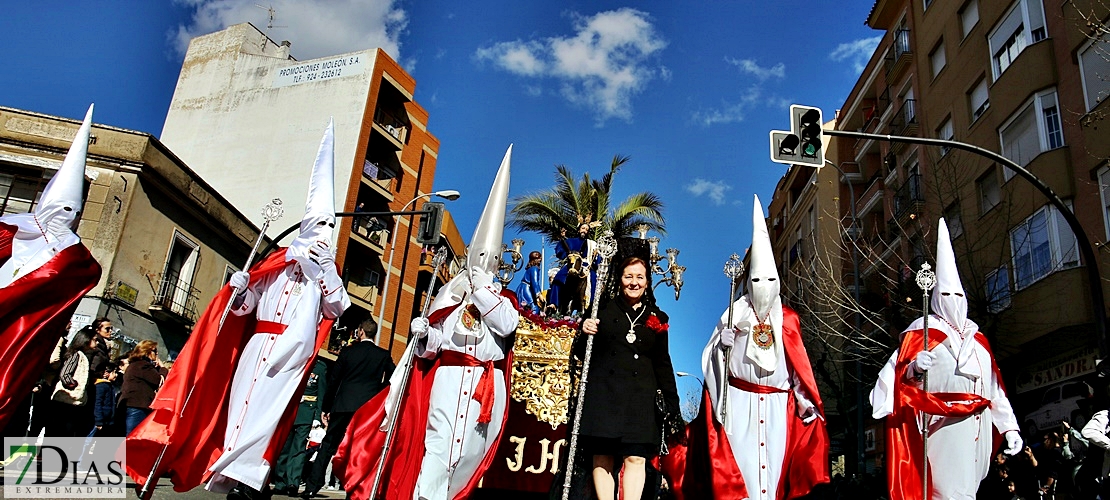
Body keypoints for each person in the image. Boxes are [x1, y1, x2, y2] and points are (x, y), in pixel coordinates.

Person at [125, 121, 350, 499]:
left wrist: (325, 269)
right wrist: (239, 288)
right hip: (257, 343)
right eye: (319, 223)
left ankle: (249, 479)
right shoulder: (276, 262)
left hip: (291, 352)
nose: (323, 230)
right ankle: (229, 475)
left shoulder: (327, 272)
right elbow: (246, 308)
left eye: (330, 224)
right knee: (239, 410)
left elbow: (337, 307)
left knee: (267, 416)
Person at [331, 144, 516, 500]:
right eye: (478, 258)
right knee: (437, 450)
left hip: (484, 387)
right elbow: (433, 349)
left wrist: (478, 288)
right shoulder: (448, 294)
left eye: (490, 259)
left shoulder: (502, 299)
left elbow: (506, 325)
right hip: (447, 380)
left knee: (465, 457)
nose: (484, 262)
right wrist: (425, 333)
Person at [670, 194, 829, 500]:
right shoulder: (735, 311)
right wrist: (721, 348)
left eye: (769, 279)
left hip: (778, 409)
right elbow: (711, 360)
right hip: (739, 406)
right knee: (741, 475)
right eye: (756, 279)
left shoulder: (789, 319)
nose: (763, 285)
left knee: (775, 473)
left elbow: (799, 367)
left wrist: (805, 400)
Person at [870, 218, 1022, 500]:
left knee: (969, 489)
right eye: (946, 294)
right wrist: (914, 368)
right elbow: (897, 377)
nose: (952, 299)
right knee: (947, 491)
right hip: (941, 424)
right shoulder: (921, 333)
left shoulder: (979, 341)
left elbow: (995, 390)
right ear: (937, 296)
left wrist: (1009, 427)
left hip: (978, 423)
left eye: (957, 294)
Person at [0, 105, 102, 432]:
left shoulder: (71, 254)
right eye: (60, 209)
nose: (65, 214)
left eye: (72, 211)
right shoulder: (12, 229)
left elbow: (85, 272)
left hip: (18, 330)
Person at [574, 255, 679, 500]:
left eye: (639, 277)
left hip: (640, 398)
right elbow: (581, 352)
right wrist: (584, 330)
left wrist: (672, 403)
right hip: (604, 395)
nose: (634, 282)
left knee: (635, 457)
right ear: (619, 279)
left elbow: (663, 363)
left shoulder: (658, 317)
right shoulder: (601, 308)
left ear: (647, 282)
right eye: (628, 276)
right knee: (603, 457)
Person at [301, 318, 394, 497]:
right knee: (360, 447)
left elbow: (334, 380)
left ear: (360, 332)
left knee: (328, 445)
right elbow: (393, 377)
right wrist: (376, 393)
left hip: (343, 405)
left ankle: (312, 487)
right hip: (366, 409)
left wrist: (326, 407)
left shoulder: (348, 352)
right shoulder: (382, 355)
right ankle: (355, 487)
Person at [272, 358, 327, 496]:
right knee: (284, 448)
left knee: (298, 449)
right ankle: (280, 482)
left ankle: (293, 483)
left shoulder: (319, 367)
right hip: (289, 411)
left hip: (306, 412)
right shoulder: (294, 361)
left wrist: (317, 416)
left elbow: (321, 393)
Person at [49, 327, 99, 437]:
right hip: (65, 401)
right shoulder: (76, 354)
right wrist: (74, 385)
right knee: (59, 433)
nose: (97, 342)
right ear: (86, 339)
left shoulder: (84, 356)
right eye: (95, 339)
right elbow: (65, 374)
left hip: (73, 402)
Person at [550, 216, 601, 315]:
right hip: (572, 264)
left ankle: (592, 305)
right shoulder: (570, 241)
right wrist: (562, 241)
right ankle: (553, 303)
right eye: (583, 228)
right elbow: (560, 252)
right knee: (558, 278)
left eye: (587, 229)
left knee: (594, 280)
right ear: (579, 230)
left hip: (586, 265)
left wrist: (596, 257)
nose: (585, 230)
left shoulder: (592, 244)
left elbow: (597, 259)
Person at [120, 341, 161, 436]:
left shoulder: (134, 365)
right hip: (138, 406)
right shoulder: (144, 366)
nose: (157, 354)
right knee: (132, 436)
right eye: (155, 351)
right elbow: (158, 380)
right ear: (148, 352)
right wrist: (162, 368)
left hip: (130, 404)